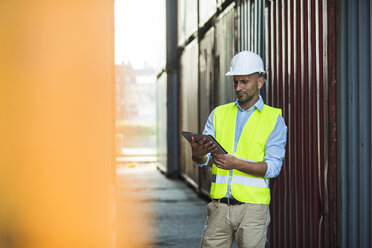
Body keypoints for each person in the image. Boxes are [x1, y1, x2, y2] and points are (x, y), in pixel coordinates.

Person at [190, 51, 287, 248]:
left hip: (253, 211)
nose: (238, 87)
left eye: (244, 82)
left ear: (260, 82)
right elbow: (205, 159)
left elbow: (273, 168)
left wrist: (235, 163)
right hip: (219, 208)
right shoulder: (219, 114)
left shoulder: (274, 120)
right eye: (235, 82)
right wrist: (198, 155)